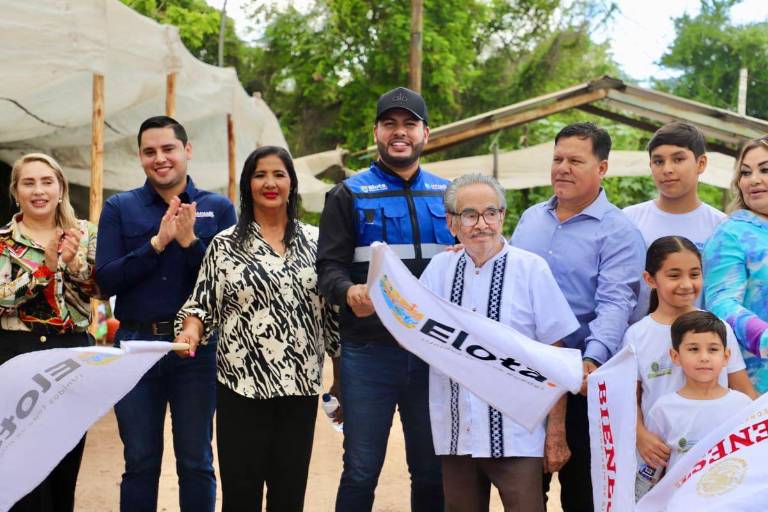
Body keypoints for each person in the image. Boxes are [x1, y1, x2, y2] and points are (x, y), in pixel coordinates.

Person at [175, 146, 340, 511]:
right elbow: (202, 303)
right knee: (240, 494)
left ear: (291, 184)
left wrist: (340, 378)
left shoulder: (317, 243)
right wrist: (190, 331)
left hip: (299, 387)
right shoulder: (224, 245)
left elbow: (332, 317)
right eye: (260, 174)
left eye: (279, 174)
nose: (270, 183)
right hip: (240, 388)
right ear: (248, 184)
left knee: (289, 493)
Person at [317, 87, 452, 511]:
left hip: (434, 354)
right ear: (376, 131)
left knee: (432, 471)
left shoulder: (451, 196)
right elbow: (327, 269)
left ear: (425, 133)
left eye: (409, 124)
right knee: (361, 469)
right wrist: (348, 291)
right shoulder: (349, 194)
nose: (400, 133)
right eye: (390, 124)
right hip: (368, 353)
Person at [95, 116, 237, 512]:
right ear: (140, 157)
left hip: (198, 352)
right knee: (139, 460)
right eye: (150, 151)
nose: (160, 158)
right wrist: (156, 243)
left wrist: (191, 242)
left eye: (168, 148)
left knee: (196, 460)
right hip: (136, 349)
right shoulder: (120, 208)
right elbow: (105, 281)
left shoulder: (218, 208)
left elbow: (231, 281)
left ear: (187, 150)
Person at [419, 174, 579, 512]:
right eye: (469, 215)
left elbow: (556, 353)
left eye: (490, 213)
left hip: (518, 433)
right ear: (451, 223)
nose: (482, 224)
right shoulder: (438, 270)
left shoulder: (531, 269)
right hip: (457, 431)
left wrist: (556, 431)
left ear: (503, 217)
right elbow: (414, 331)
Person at [510, 122, 645, 512]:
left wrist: (591, 361)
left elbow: (615, 304)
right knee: (523, 492)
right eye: (557, 159)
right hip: (526, 376)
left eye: (575, 160)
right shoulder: (530, 219)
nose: (562, 168)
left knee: (582, 493)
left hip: (583, 380)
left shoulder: (620, 232)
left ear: (602, 168)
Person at [0, 153, 98, 511]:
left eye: (47, 181)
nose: (38, 190)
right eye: (29, 182)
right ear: (16, 192)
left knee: (64, 458)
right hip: (14, 355)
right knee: (20, 460)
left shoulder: (86, 234)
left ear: (61, 189)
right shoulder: (3, 242)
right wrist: (45, 268)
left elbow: (100, 293)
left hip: (70, 355)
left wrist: (74, 266)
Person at [623, 236, 755, 473]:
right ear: (650, 279)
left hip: (717, 458)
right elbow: (628, 399)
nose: (686, 284)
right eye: (674, 275)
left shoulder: (719, 328)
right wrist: (640, 435)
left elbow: (743, 389)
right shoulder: (637, 335)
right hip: (661, 457)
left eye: (694, 274)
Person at [623, 121, 725, 318]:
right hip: (639, 340)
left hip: (699, 342)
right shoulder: (628, 220)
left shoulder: (721, 227)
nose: (667, 169)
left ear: (701, 163)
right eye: (658, 161)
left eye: (678, 159)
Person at [645, 310, 752, 473]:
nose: (704, 357)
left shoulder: (743, 406)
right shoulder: (663, 409)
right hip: (678, 498)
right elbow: (652, 470)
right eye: (693, 349)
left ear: (726, 356)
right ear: (675, 356)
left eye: (713, 349)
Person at [704, 136, 768, 394]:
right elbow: (721, 304)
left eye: (765, 170)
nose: (753, 180)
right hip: (756, 385)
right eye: (745, 172)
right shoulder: (730, 235)